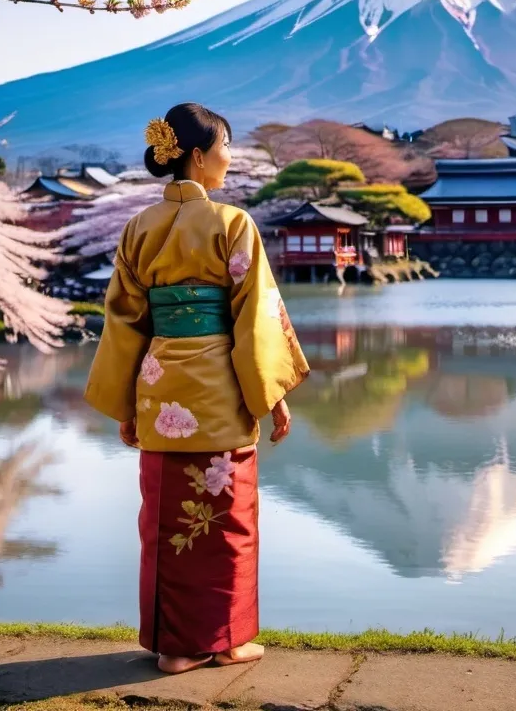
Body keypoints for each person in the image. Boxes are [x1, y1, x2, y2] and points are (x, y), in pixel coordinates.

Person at [84, 102, 310, 675]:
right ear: (199, 155)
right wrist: (273, 395)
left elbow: (124, 320)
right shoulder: (232, 224)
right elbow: (254, 321)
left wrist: (125, 402)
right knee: (228, 518)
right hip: (219, 389)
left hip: (160, 390)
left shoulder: (139, 227)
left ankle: (176, 646)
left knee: (165, 521)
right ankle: (227, 640)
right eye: (226, 146)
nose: (230, 159)